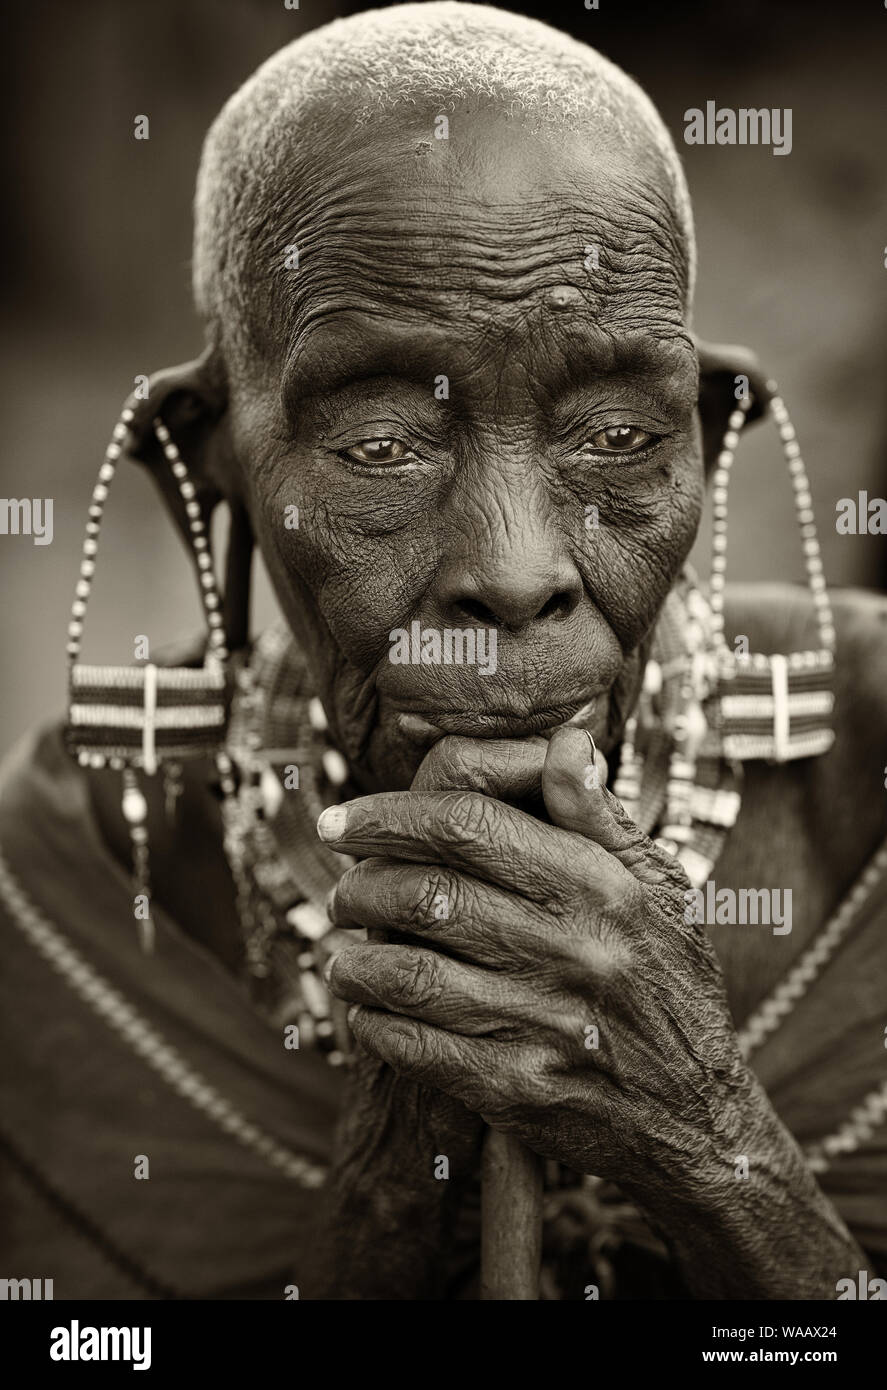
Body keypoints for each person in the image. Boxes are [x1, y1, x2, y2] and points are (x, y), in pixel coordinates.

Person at [2, 2, 886, 1300]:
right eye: (380, 449)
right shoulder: (77, 885)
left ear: (708, 435)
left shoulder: (869, 773)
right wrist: (402, 1144)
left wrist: (711, 1138)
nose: (519, 571)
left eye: (620, 437)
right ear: (212, 462)